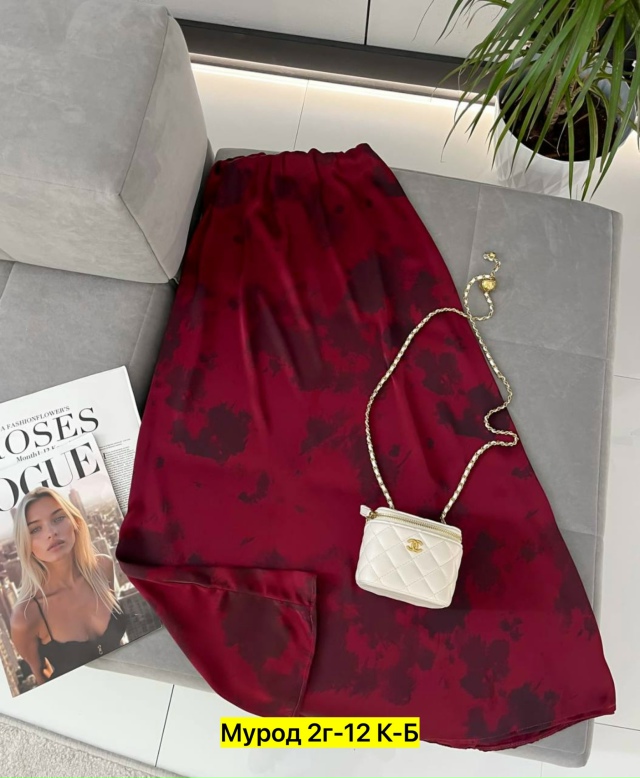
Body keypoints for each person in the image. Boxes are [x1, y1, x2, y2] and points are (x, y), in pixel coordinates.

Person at [9, 486, 126, 684]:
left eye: (58, 518)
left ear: (75, 522)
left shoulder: (102, 567)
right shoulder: (26, 615)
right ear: (27, 545)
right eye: (35, 529)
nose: (51, 533)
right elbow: (42, 679)